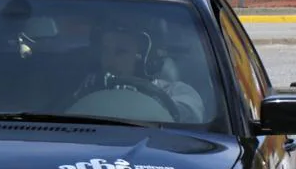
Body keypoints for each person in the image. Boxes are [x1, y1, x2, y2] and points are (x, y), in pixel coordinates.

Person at [68, 23, 204, 122]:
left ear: (145, 58)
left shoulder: (177, 92)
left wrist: (142, 93)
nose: (109, 60)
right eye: (105, 51)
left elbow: (190, 118)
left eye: (120, 52)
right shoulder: (88, 87)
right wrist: (85, 94)